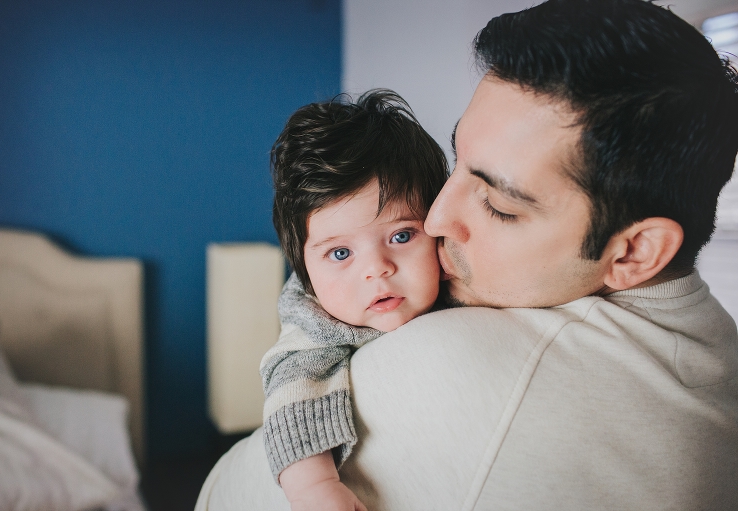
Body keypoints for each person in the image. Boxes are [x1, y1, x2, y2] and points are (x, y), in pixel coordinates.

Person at [196, 0, 738, 509]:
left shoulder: (477, 377)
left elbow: (220, 495)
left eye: (499, 204)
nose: (434, 220)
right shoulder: (713, 351)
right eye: (456, 163)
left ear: (636, 250)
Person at [261, 89, 447, 510]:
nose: (376, 268)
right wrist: (314, 488)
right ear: (306, 271)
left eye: (401, 236)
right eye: (340, 253)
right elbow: (292, 390)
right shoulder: (315, 322)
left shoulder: (457, 269)